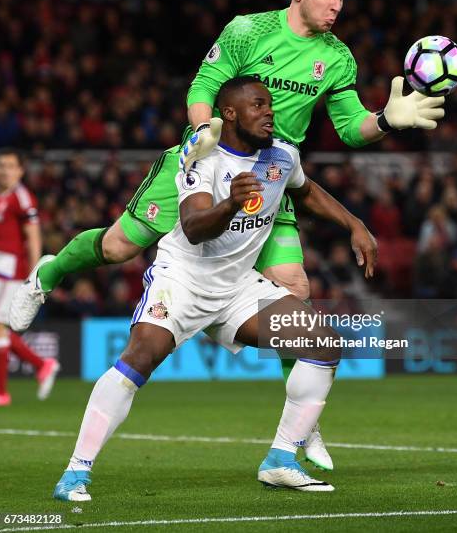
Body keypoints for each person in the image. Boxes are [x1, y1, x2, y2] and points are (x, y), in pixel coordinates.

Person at [11, 0, 444, 466]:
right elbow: (202, 86)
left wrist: (386, 121)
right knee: (116, 247)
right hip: (206, 163)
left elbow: (350, 128)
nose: (337, 5)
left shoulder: (338, 58)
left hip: (271, 178)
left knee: (295, 290)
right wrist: (201, 139)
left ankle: (301, 429)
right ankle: (48, 274)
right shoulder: (248, 30)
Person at [53, 77, 377, 501]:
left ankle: (281, 460)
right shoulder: (203, 158)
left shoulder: (282, 155)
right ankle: (76, 473)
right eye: (258, 105)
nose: (269, 112)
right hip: (182, 280)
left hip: (237, 287)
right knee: (138, 360)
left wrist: (353, 223)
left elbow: (307, 191)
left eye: (270, 105)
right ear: (230, 114)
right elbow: (193, 226)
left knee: (322, 344)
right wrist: (231, 204)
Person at [0, 148, 59, 405]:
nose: (4, 170)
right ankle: (42, 364)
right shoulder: (1, 195)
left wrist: (34, 275)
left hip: (11, 272)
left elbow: (33, 237)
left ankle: (1, 393)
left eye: (10, 166)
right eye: (1, 165)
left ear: (20, 170)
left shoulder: (22, 198)